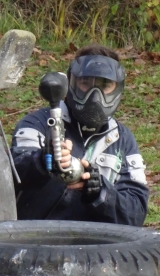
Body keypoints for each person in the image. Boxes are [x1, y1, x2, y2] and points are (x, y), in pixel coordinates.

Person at [10, 45, 149, 226]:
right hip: (32, 237)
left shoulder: (122, 139)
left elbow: (135, 213)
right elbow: (12, 174)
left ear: (117, 89)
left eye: (104, 85)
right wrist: (43, 160)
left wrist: (100, 192)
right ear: (70, 84)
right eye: (85, 83)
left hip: (91, 242)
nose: (95, 95)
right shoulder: (39, 124)